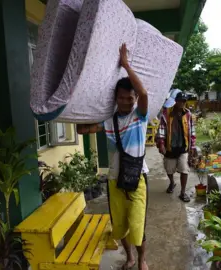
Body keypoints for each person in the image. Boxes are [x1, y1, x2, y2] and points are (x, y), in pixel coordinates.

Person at [76, 43, 148, 270]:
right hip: (115, 180)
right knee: (119, 226)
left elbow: (144, 92)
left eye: (130, 98)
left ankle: (142, 260)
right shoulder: (109, 121)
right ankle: (130, 257)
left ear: (135, 99)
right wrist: (81, 102)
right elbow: (81, 130)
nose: (127, 101)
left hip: (138, 179)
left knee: (138, 225)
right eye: (122, 98)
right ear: (115, 99)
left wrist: (125, 64)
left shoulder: (141, 117)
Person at [155, 92, 195, 202]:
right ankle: (172, 182)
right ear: (175, 101)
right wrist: (161, 144)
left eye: (184, 101)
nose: (182, 103)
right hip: (170, 147)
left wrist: (192, 147)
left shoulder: (188, 114)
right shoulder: (166, 113)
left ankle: (182, 192)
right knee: (169, 169)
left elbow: (192, 131)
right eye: (180, 101)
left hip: (183, 147)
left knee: (184, 169)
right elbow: (161, 129)